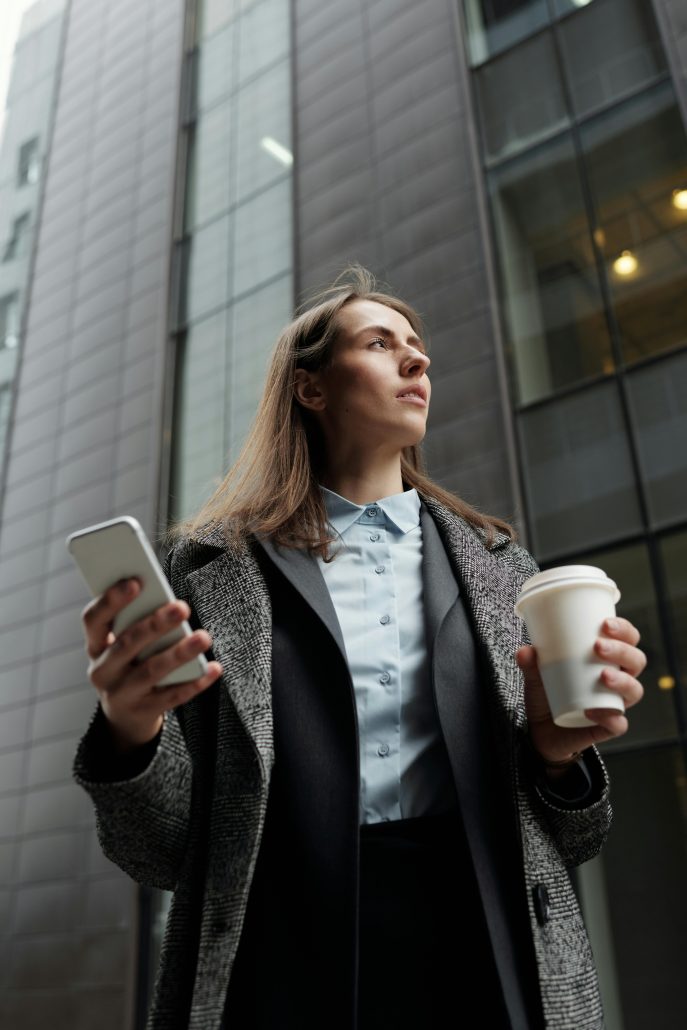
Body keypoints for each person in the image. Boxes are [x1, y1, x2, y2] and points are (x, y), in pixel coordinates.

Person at [73, 266, 646, 1030]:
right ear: (310, 388)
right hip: (281, 960)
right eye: (381, 344)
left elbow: (575, 840)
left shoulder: (503, 567)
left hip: (484, 945)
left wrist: (556, 758)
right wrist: (129, 732)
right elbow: (160, 854)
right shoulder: (210, 572)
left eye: (418, 349)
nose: (418, 362)